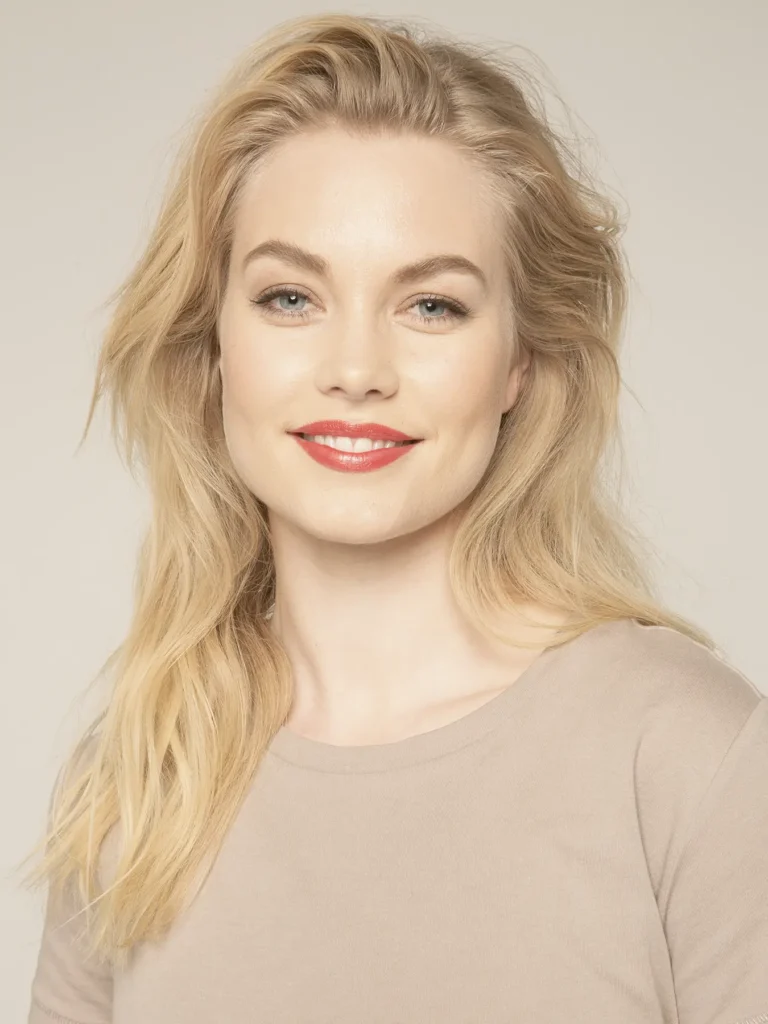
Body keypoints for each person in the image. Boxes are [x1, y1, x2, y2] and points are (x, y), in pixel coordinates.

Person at [19, 12, 767, 1024]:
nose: (356, 370)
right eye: (291, 298)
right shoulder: (140, 779)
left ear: (521, 361)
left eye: (432, 306)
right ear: (214, 346)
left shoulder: (692, 758)